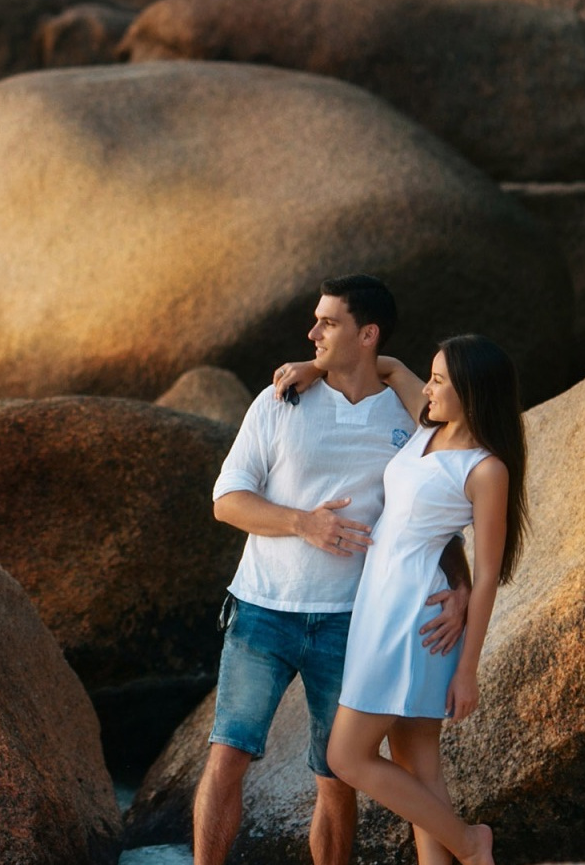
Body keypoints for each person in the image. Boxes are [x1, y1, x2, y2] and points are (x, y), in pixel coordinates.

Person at [196, 275, 470, 865]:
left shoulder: (409, 418)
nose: (312, 332)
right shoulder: (279, 401)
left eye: (328, 322)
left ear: (367, 335)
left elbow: (432, 510)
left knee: (336, 776)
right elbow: (226, 501)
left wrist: (462, 585)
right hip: (262, 610)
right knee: (227, 756)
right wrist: (303, 523)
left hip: (354, 619)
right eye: (315, 320)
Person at [275, 335, 529, 865]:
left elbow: (487, 576)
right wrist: (310, 367)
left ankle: (470, 843)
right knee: (420, 769)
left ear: (472, 393)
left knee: (346, 756)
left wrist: (468, 670)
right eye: (430, 377)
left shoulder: (486, 469)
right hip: (380, 604)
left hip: (412, 616)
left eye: (438, 380)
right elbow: (387, 366)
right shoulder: (429, 424)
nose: (428, 388)